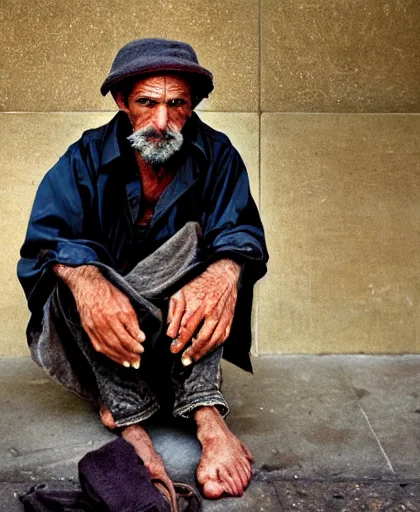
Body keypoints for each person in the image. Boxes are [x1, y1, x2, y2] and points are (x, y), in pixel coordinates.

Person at [17, 38, 268, 501]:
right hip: (97, 341)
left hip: (174, 336)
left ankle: (206, 415)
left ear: (191, 107)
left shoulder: (218, 155)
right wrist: (90, 283)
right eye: (146, 103)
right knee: (72, 267)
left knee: (207, 249)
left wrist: (223, 273)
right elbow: (44, 241)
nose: (161, 121)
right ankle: (131, 419)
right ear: (121, 102)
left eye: (176, 105)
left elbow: (241, 231)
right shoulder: (85, 158)